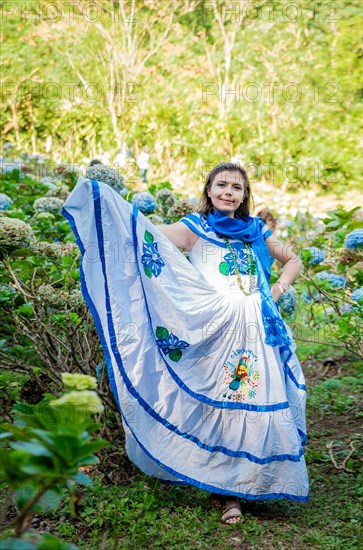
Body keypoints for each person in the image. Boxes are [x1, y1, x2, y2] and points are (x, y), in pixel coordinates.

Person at [62, 162, 309, 525]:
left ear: (244, 196)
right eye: (221, 185)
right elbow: (141, 233)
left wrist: (274, 291)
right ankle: (228, 494)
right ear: (208, 191)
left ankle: (258, 479)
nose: (229, 192)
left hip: (258, 328)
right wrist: (105, 203)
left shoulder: (257, 229)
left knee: (258, 400)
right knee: (224, 405)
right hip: (214, 330)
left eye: (237, 188)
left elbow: (292, 259)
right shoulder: (194, 228)